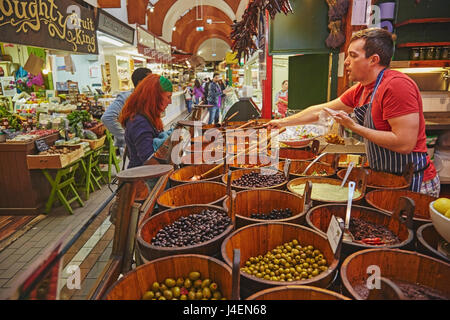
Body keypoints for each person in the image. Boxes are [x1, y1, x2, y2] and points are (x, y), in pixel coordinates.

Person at [267, 28, 439, 197]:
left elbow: (404, 144)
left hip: (413, 184)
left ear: (373, 60)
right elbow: (322, 110)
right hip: (385, 180)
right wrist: (282, 123)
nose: (346, 61)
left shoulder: (396, 86)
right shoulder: (362, 89)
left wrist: (354, 127)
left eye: (353, 55)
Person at [119, 74, 173, 169]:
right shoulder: (139, 123)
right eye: (168, 97)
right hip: (142, 179)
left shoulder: (147, 116)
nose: (170, 102)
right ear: (155, 97)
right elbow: (149, 161)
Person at [101, 68, 152, 151]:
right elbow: (107, 117)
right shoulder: (127, 97)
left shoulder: (147, 98)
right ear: (140, 82)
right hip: (135, 148)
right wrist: (126, 137)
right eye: (150, 80)